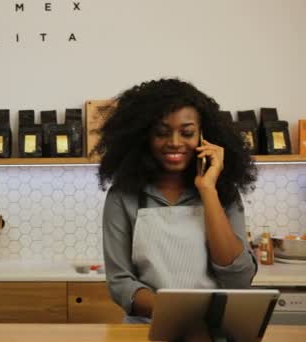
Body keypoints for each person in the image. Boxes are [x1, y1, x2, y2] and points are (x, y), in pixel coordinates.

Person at [95, 78, 258, 323]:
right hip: (147, 330)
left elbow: (239, 278)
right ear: (144, 138)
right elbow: (120, 283)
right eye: (161, 133)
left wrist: (207, 190)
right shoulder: (124, 196)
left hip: (210, 331)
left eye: (187, 133)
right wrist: (176, 312)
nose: (174, 142)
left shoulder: (223, 193)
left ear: (205, 136)